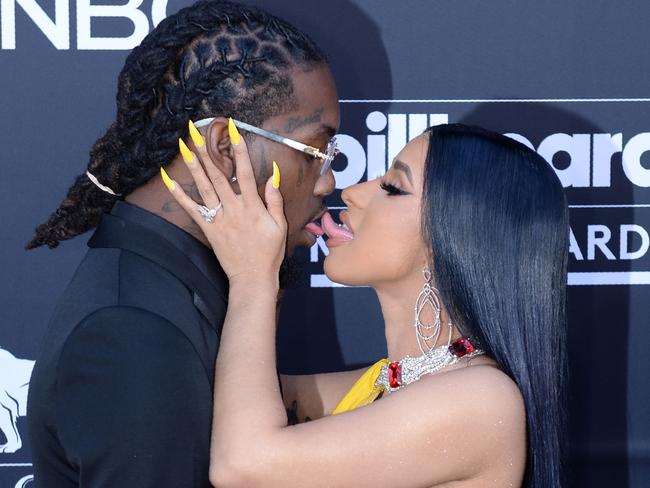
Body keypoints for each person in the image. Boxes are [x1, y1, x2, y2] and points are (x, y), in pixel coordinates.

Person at [24, 1, 339, 486]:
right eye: (317, 150)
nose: (326, 182)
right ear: (222, 148)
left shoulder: (177, 284)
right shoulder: (133, 331)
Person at [165, 122, 569, 487]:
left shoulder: (481, 401)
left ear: (453, 240)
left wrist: (253, 278)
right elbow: (223, 397)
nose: (352, 193)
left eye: (392, 187)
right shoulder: (386, 382)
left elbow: (243, 464)